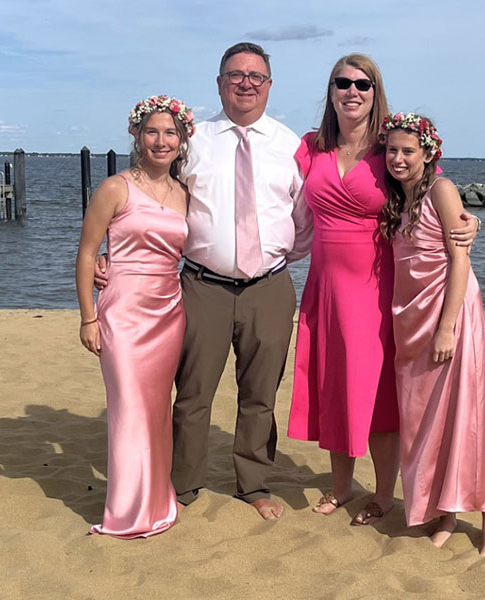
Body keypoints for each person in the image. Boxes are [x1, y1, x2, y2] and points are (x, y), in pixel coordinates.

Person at [95, 42, 308, 520]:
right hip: (201, 286)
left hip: (270, 287)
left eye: (255, 76)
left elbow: (304, 217)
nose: (246, 83)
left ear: (269, 85)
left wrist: (272, 257)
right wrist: (109, 252)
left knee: (260, 394)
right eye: (236, 75)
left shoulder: (290, 146)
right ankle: (185, 483)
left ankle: (253, 484)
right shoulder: (195, 142)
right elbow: (151, 197)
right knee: (192, 393)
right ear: (219, 84)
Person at [287, 54, 480, 526]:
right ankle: (340, 487)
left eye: (363, 84)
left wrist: (470, 221)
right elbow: (274, 201)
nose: (352, 91)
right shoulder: (310, 147)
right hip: (324, 287)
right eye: (342, 83)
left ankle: (383, 494)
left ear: (376, 93)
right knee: (333, 386)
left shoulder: (387, 149)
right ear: (331, 91)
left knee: (377, 396)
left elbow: (430, 191)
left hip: (377, 288)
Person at [380, 113, 485, 556]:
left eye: (408, 151)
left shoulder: (441, 188)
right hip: (411, 321)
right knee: (425, 421)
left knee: (468, 414)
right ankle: (446, 514)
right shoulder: (398, 198)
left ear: (428, 153)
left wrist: (447, 327)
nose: (398, 159)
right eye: (392, 150)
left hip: (448, 314)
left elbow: (460, 261)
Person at [75, 95, 194, 538]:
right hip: (122, 311)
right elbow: (87, 254)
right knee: (128, 408)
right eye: (152, 132)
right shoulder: (115, 188)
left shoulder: (185, 193)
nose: (161, 142)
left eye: (170, 133)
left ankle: (158, 500)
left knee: (156, 409)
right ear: (137, 136)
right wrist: (88, 317)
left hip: (168, 310)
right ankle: (127, 512)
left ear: (182, 140)